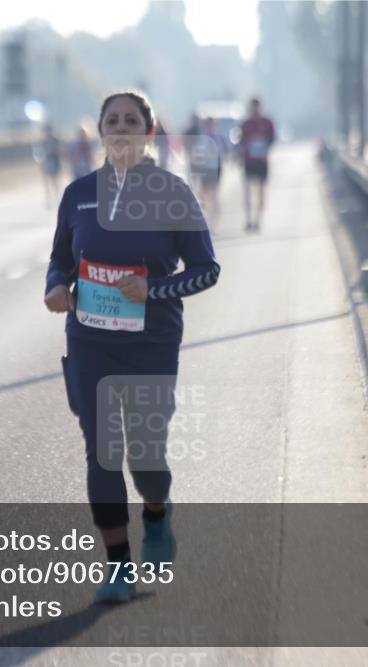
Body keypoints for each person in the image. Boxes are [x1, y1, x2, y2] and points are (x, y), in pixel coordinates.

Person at [44, 90, 221, 603]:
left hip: (152, 342)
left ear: (149, 132)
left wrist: (154, 290)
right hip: (90, 340)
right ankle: (119, 567)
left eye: (131, 121)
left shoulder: (173, 193)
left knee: (146, 458)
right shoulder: (78, 194)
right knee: (102, 451)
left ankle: (158, 513)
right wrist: (57, 286)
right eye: (112, 121)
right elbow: (60, 258)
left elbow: (207, 270)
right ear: (100, 132)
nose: (120, 128)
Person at [239, 97, 275, 233]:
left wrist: (265, 145)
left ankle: (258, 220)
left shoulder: (267, 122)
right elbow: (241, 141)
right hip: (249, 162)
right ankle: (248, 220)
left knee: (261, 192)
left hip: (262, 161)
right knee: (247, 191)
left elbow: (272, 138)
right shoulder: (246, 123)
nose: (255, 110)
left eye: (257, 107)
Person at [37, 124, 63, 208]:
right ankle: (49, 199)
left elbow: (60, 150)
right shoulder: (42, 141)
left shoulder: (56, 139)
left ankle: (57, 197)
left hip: (55, 160)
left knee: (55, 180)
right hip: (46, 161)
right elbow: (39, 152)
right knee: (47, 182)